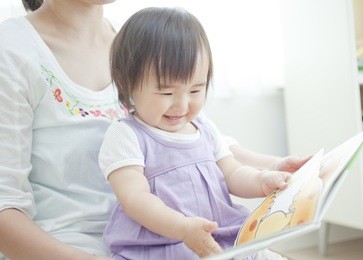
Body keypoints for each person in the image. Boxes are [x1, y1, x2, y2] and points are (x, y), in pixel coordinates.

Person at [0, 1, 308, 259]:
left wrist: (276, 169)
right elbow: (5, 207)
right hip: (80, 247)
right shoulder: (12, 50)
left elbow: (202, 143)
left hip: (183, 235)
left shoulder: (140, 42)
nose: (180, 102)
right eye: (165, 92)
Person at [98, 7, 305, 260]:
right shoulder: (126, 135)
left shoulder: (204, 128)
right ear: (128, 84)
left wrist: (262, 180)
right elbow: (134, 198)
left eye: (196, 91)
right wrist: (182, 228)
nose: (182, 105)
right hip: (161, 244)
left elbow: (233, 172)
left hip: (219, 236)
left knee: (266, 255)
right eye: (166, 93)